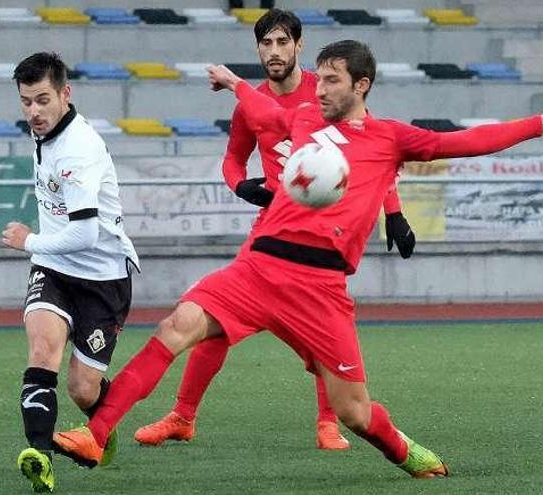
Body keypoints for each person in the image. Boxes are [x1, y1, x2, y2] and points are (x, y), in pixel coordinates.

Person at [51, 40, 543, 481]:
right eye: (320, 78)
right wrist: (236, 85)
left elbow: (462, 141)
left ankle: (402, 450)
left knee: (353, 412)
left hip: (321, 288)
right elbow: (265, 111)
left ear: (361, 85)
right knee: (176, 325)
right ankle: (95, 436)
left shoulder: (391, 137)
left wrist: (542, 121)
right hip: (259, 267)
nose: (319, 88)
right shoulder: (304, 117)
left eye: (331, 80)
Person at [134, 9, 415, 452]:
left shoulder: (328, 92)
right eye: (266, 44)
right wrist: (240, 185)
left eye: (283, 42)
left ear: (298, 46)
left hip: (326, 231)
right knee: (217, 321)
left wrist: (393, 214)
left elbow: (374, 152)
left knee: (323, 326)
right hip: (274, 226)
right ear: (258, 49)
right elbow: (232, 158)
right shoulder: (252, 102)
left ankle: (328, 423)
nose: (274, 51)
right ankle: (182, 416)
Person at [2, 51, 139, 493]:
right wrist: (41, 251)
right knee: (42, 352)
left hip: (103, 276)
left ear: (65, 93)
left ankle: (103, 426)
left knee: (83, 388)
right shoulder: (43, 133)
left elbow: (83, 235)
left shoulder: (79, 149)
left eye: (42, 100)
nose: (33, 112)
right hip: (55, 268)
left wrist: (30, 242)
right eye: (26, 102)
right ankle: (39, 455)